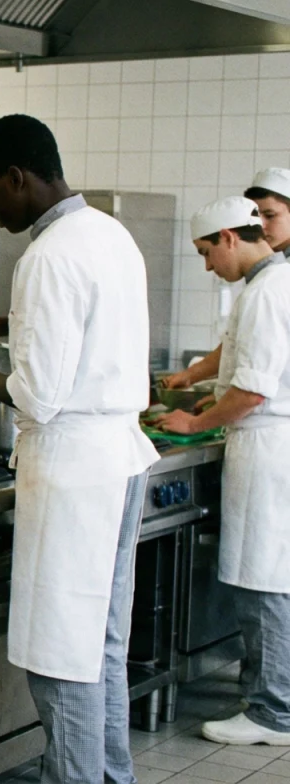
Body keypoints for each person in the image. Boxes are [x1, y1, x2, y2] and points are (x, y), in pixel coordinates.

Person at [0, 114, 158, 784]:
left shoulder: (47, 255)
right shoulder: (107, 235)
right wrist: (5, 323)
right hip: (121, 460)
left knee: (63, 655)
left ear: (18, 178)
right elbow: (87, 322)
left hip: (73, 474)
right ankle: (108, 776)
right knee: (102, 645)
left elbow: (38, 395)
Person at [154, 197, 290, 745]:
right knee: (271, 579)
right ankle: (271, 698)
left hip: (267, 448)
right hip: (271, 444)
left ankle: (273, 713)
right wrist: (203, 384)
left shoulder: (266, 292)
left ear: (230, 239)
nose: (208, 266)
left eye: (207, 253)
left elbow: (254, 391)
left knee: (264, 583)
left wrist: (196, 422)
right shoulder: (272, 284)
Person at [161, 168, 290, 391]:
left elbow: (255, 387)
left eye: (270, 215)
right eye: (255, 217)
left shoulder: (270, 284)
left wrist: (194, 425)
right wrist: (193, 376)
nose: (261, 226)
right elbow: (243, 339)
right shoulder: (267, 272)